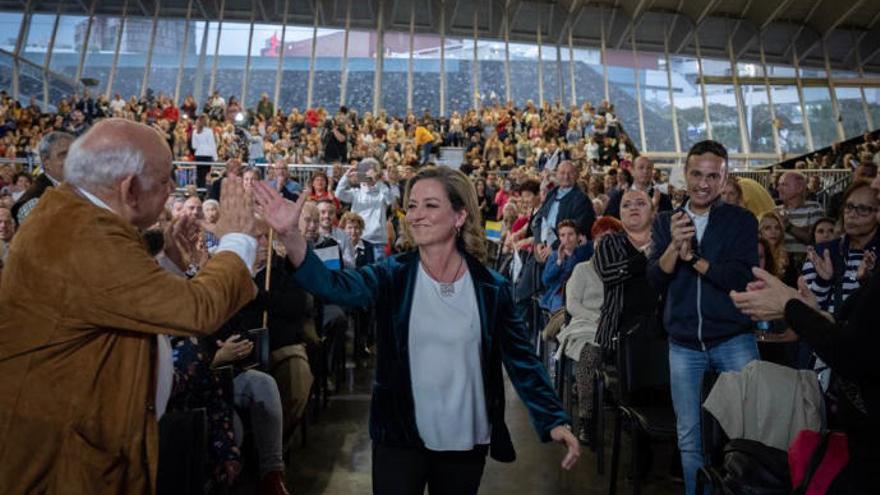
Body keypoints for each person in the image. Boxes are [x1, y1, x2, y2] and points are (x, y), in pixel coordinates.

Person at [253, 166, 579, 495]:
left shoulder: (490, 288)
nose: (416, 215)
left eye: (430, 205)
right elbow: (333, 285)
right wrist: (291, 237)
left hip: (465, 441)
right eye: (411, 206)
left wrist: (553, 418)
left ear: (459, 216)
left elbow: (522, 359)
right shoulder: (392, 275)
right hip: (399, 437)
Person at [0, 119, 259, 494]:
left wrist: (168, 259)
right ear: (131, 188)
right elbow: (198, 309)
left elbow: (116, 298)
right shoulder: (79, 234)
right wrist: (238, 239)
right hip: (60, 465)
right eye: (165, 180)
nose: (172, 189)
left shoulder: (74, 215)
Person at [731, 165, 880, 492]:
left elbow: (852, 352)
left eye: (871, 204)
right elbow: (850, 330)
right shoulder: (830, 253)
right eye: (851, 207)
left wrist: (790, 305)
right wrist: (813, 308)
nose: (877, 182)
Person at [646, 140, 759, 495]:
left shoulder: (741, 221)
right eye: (697, 173)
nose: (703, 183)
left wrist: (692, 258)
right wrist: (672, 250)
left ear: (725, 178)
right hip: (683, 345)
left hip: (734, 338)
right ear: (686, 173)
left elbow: (739, 277)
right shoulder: (667, 220)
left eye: (713, 175)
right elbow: (654, 278)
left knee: (748, 429)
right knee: (689, 434)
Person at [560, 216, 624, 444]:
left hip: (616, 330)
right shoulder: (582, 269)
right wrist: (599, 319)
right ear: (594, 242)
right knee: (588, 357)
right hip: (587, 326)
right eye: (601, 239)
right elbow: (573, 305)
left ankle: (623, 412)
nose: (605, 244)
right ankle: (586, 419)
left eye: (612, 239)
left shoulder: (621, 272)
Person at [334, 158, 394, 260]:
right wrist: (346, 176)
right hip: (359, 239)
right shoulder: (356, 193)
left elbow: (390, 200)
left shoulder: (382, 192)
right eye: (365, 173)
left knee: (378, 274)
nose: (368, 176)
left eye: (371, 172)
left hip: (378, 242)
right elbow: (338, 194)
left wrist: (377, 181)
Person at [11, 131, 74, 225]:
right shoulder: (33, 202)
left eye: (74, 153)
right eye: (63, 155)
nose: (72, 159)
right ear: (46, 162)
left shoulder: (80, 189)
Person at [534, 160, 596, 248]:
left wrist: (554, 247)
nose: (566, 177)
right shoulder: (551, 194)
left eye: (570, 173)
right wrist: (538, 241)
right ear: (557, 175)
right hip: (543, 243)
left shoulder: (581, 199)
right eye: (562, 173)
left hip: (564, 248)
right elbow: (539, 219)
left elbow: (579, 228)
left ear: (576, 176)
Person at [540, 219, 592, 312]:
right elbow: (546, 280)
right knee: (561, 309)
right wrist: (559, 261)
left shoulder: (583, 253)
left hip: (581, 293)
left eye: (571, 234)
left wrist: (583, 248)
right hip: (559, 294)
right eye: (562, 235)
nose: (566, 239)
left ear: (578, 236)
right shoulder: (554, 255)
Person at [776, 171, 825, 265]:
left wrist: (788, 226)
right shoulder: (776, 211)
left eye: (784, 185)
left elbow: (813, 238)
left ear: (799, 188)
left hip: (807, 263)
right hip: (781, 263)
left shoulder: (814, 208)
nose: (778, 189)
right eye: (778, 185)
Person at [604, 156, 672, 219]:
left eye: (649, 168)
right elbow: (608, 222)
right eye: (641, 168)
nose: (645, 171)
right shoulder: (618, 197)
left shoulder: (663, 199)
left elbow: (668, 225)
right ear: (632, 171)